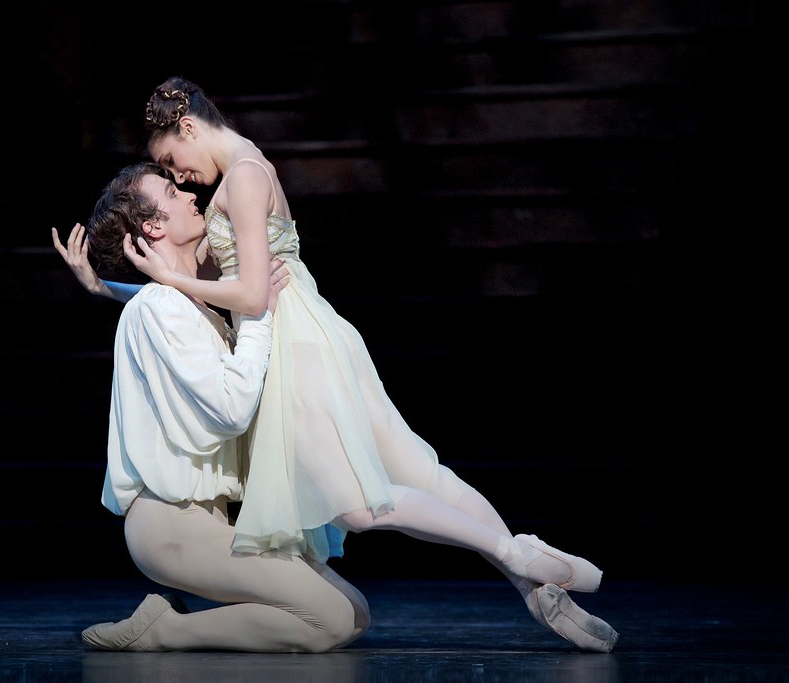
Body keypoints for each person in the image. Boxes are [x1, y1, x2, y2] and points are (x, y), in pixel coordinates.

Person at [122, 76, 619, 651]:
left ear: (188, 128)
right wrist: (116, 287)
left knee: (357, 505)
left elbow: (253, 295)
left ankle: (519, 554)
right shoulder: (245, 171)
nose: (176, 173)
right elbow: (201, 294)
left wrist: (171, 276)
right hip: (318, 334)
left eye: (170, 159)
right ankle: (534, 587)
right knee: (420, 471)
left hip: (295, 346)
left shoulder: (245, 177)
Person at [54, 161, 370, 653]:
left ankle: (177, 625)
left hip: (208, 519)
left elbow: (173, 306)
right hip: (171, 524)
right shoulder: (157, 308)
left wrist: (102, 287)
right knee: (328, 620)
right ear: (153, 226)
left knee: (353, 614)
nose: (188, 194)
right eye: (170, 190)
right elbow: (231, 409)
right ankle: (165, 631)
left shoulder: (178, 304)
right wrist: (257, 312)